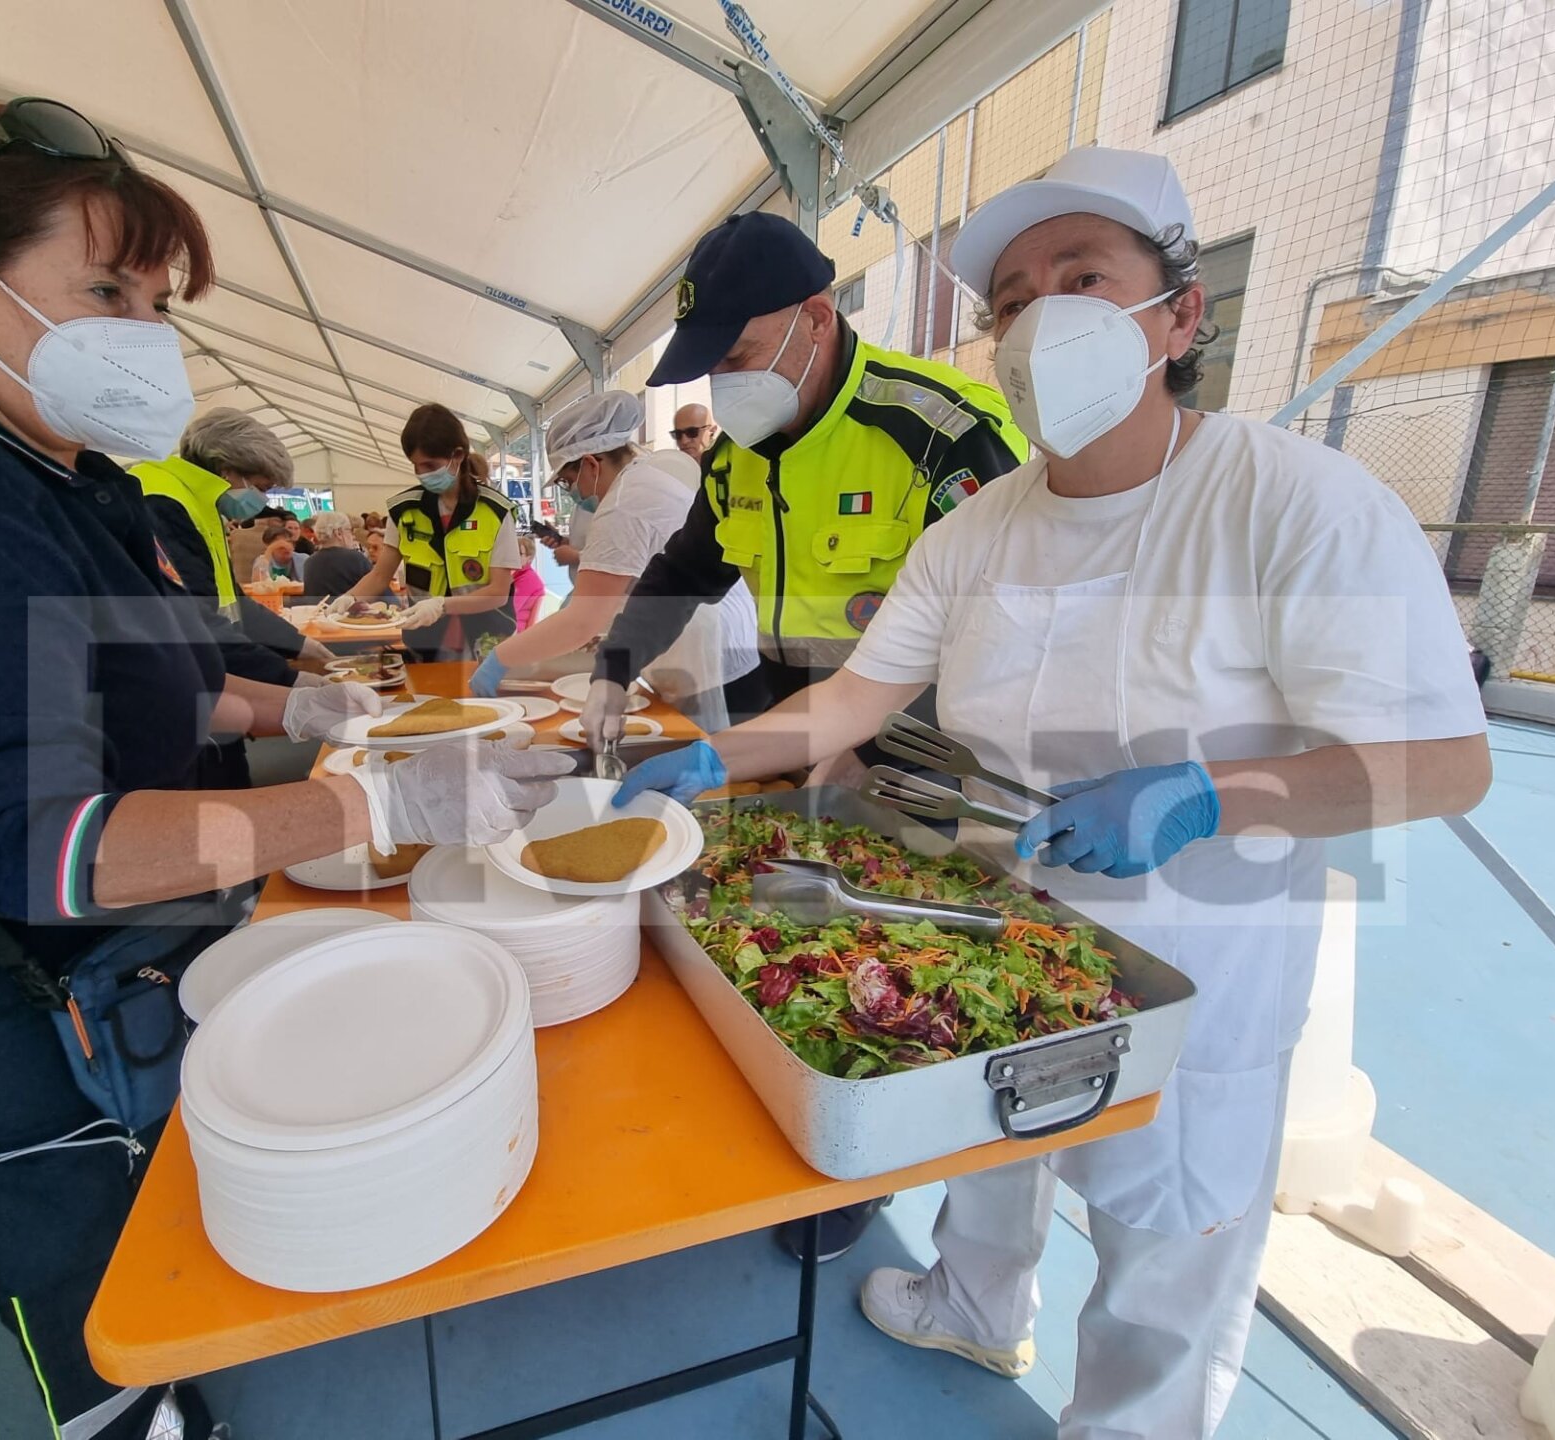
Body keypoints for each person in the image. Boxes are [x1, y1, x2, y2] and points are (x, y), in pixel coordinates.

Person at [616, 147, 1492, 1438]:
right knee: (988, 1139)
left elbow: (1444, 763)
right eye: (1013, 299)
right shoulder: (978, 531)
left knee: (1162, 1231)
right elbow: (857, 699)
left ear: (1179, 315)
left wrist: (1205, 791)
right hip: (993, 897)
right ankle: (977, 1305)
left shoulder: (1294, 503)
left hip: (1196, 938)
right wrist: (713, 752)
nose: (1040, 319)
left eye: (1084, 277)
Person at [0, 98, 572, 1440]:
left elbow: (166, 673)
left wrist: (307, 698)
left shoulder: (52, 466)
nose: (144, 334)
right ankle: (123, 1419)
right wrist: (371, 799)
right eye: (106, 289)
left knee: (150, 1142)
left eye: (157, 301)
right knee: (61, 1219)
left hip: (34, 919)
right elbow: (40, 846)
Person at [582, 210, 1029, 776]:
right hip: (789, 737)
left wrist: (857, 745)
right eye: (710, 368)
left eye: (738, 357)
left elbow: (1001, 638)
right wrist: (613, 670)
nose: (723, 385)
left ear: (816, 319)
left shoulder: (940, 437)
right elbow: (682, 574)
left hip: (926, 769)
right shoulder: (734, 460)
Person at [471, 391, 758, 734]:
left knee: (709, 762)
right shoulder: (648, 472)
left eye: (566, 480)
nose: (570, 491)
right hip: (726, 638)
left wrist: (499, 660)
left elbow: (581, 621)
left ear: (591, 463)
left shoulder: (622, 503)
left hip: (707, 651)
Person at [134, 409, 338, 787]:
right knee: (208, 804)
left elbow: (232, 602)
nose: (262, 499)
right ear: (226, 468)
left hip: (212, 679)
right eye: (261, 486)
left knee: (230, 780)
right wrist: (289, 681)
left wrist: (299, 644)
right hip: (179, 695)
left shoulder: (201, 503)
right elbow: (195, 621)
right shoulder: (160, 501)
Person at [336, 403, 519, 660]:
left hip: (487, 638)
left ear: (458, 455)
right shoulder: (403, 510)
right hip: (426, 641)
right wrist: (349, 598)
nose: (422, 474)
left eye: (430, 465)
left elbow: (498, 592)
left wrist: (443, 605)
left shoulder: (495, 511)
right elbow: (380, 576)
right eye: (416, 466)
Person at [301, 510, 372, 598]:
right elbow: (380, 591)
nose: (353, 536)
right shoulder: (355, 559)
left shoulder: (309, 562)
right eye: (349, 530)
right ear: (338, 533)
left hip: (317, 610)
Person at [509, 532, 546, 630]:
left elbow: (510, 609)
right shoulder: (516, 574)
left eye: (518, 553)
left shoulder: (529, 580)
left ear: (529, 558)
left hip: (511, 633)